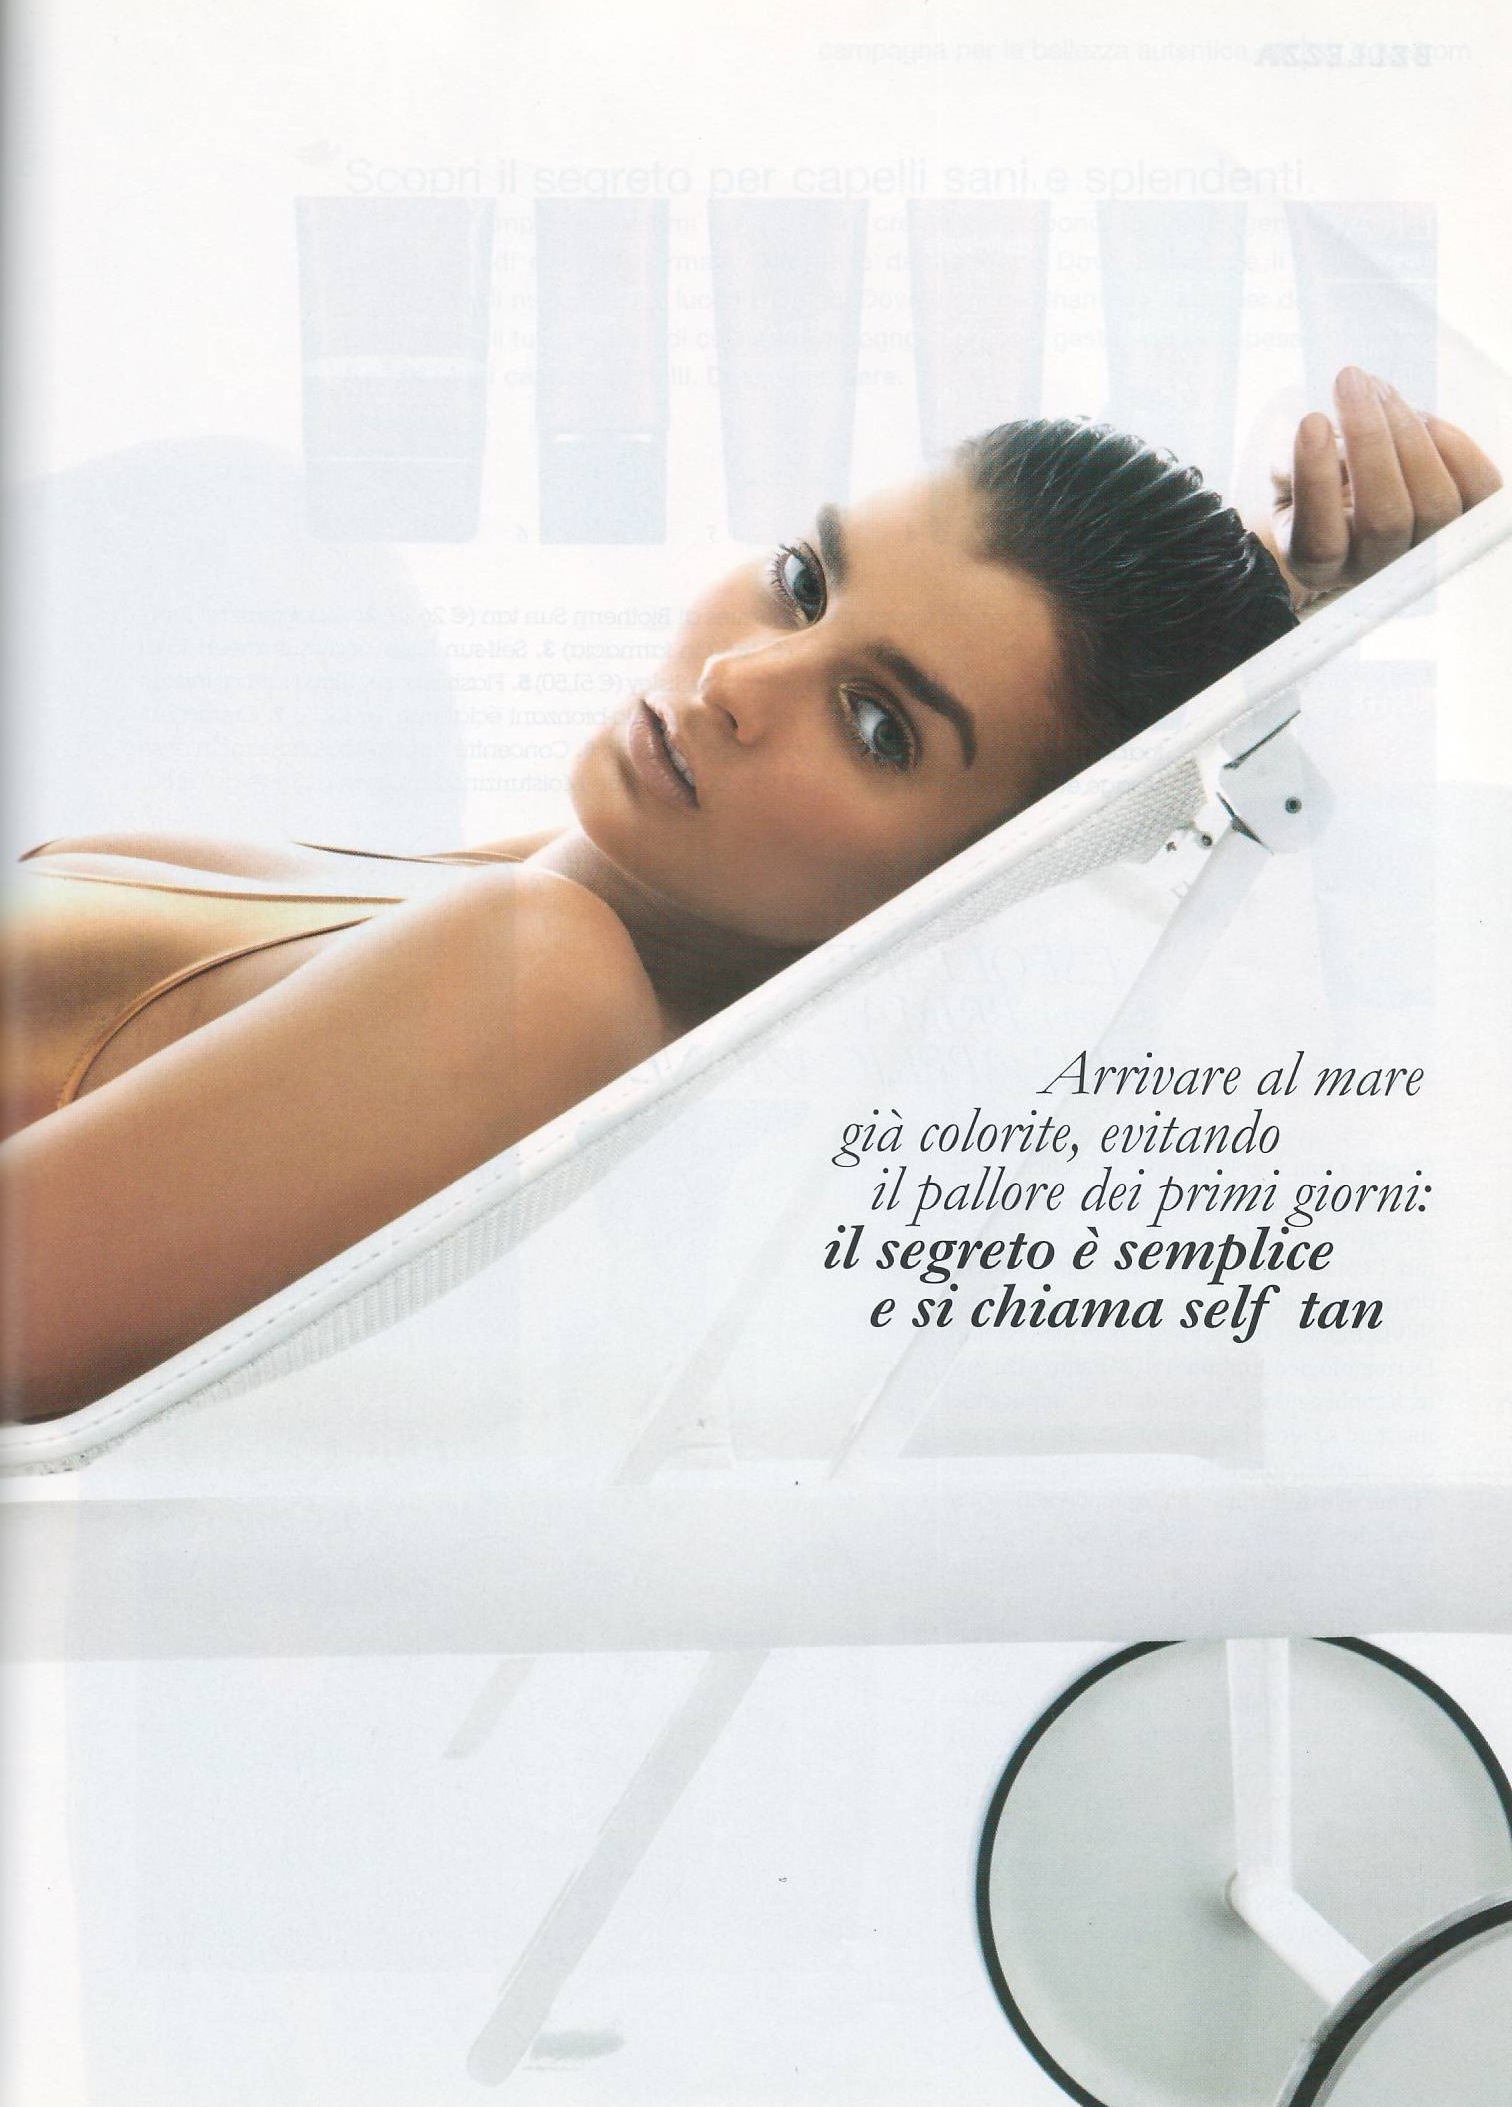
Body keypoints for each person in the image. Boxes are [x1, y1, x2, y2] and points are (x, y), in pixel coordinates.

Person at [0, 368, 1500, 1421]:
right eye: (803, 581)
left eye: (878, 727)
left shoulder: (545, 972)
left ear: (975, 876)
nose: (736, 676)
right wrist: (1274, 622)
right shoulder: (547, 892)